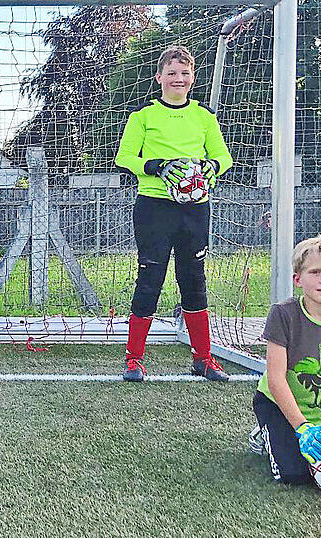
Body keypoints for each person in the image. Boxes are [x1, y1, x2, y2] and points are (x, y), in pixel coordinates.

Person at [114, 45, 233, 382]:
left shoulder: (204, 116)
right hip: (154, 207)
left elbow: (224, 158)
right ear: (159, 77)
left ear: (192, 78)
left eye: (184, 73)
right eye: (171, 73)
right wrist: (158, 166)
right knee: (150, 279)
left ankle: (204, 358)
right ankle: (134, 359)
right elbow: (125, 158)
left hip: (195, 208)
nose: (178, 78)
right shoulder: (144, 116)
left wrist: (209, 166)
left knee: (193, 280)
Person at [248, 236, 321, 486]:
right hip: (280, 404)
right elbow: (277, 377)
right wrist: (303, 428)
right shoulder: (283, 314)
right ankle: (267, 432)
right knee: (294, 475)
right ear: (298, 280)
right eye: (315, 272)